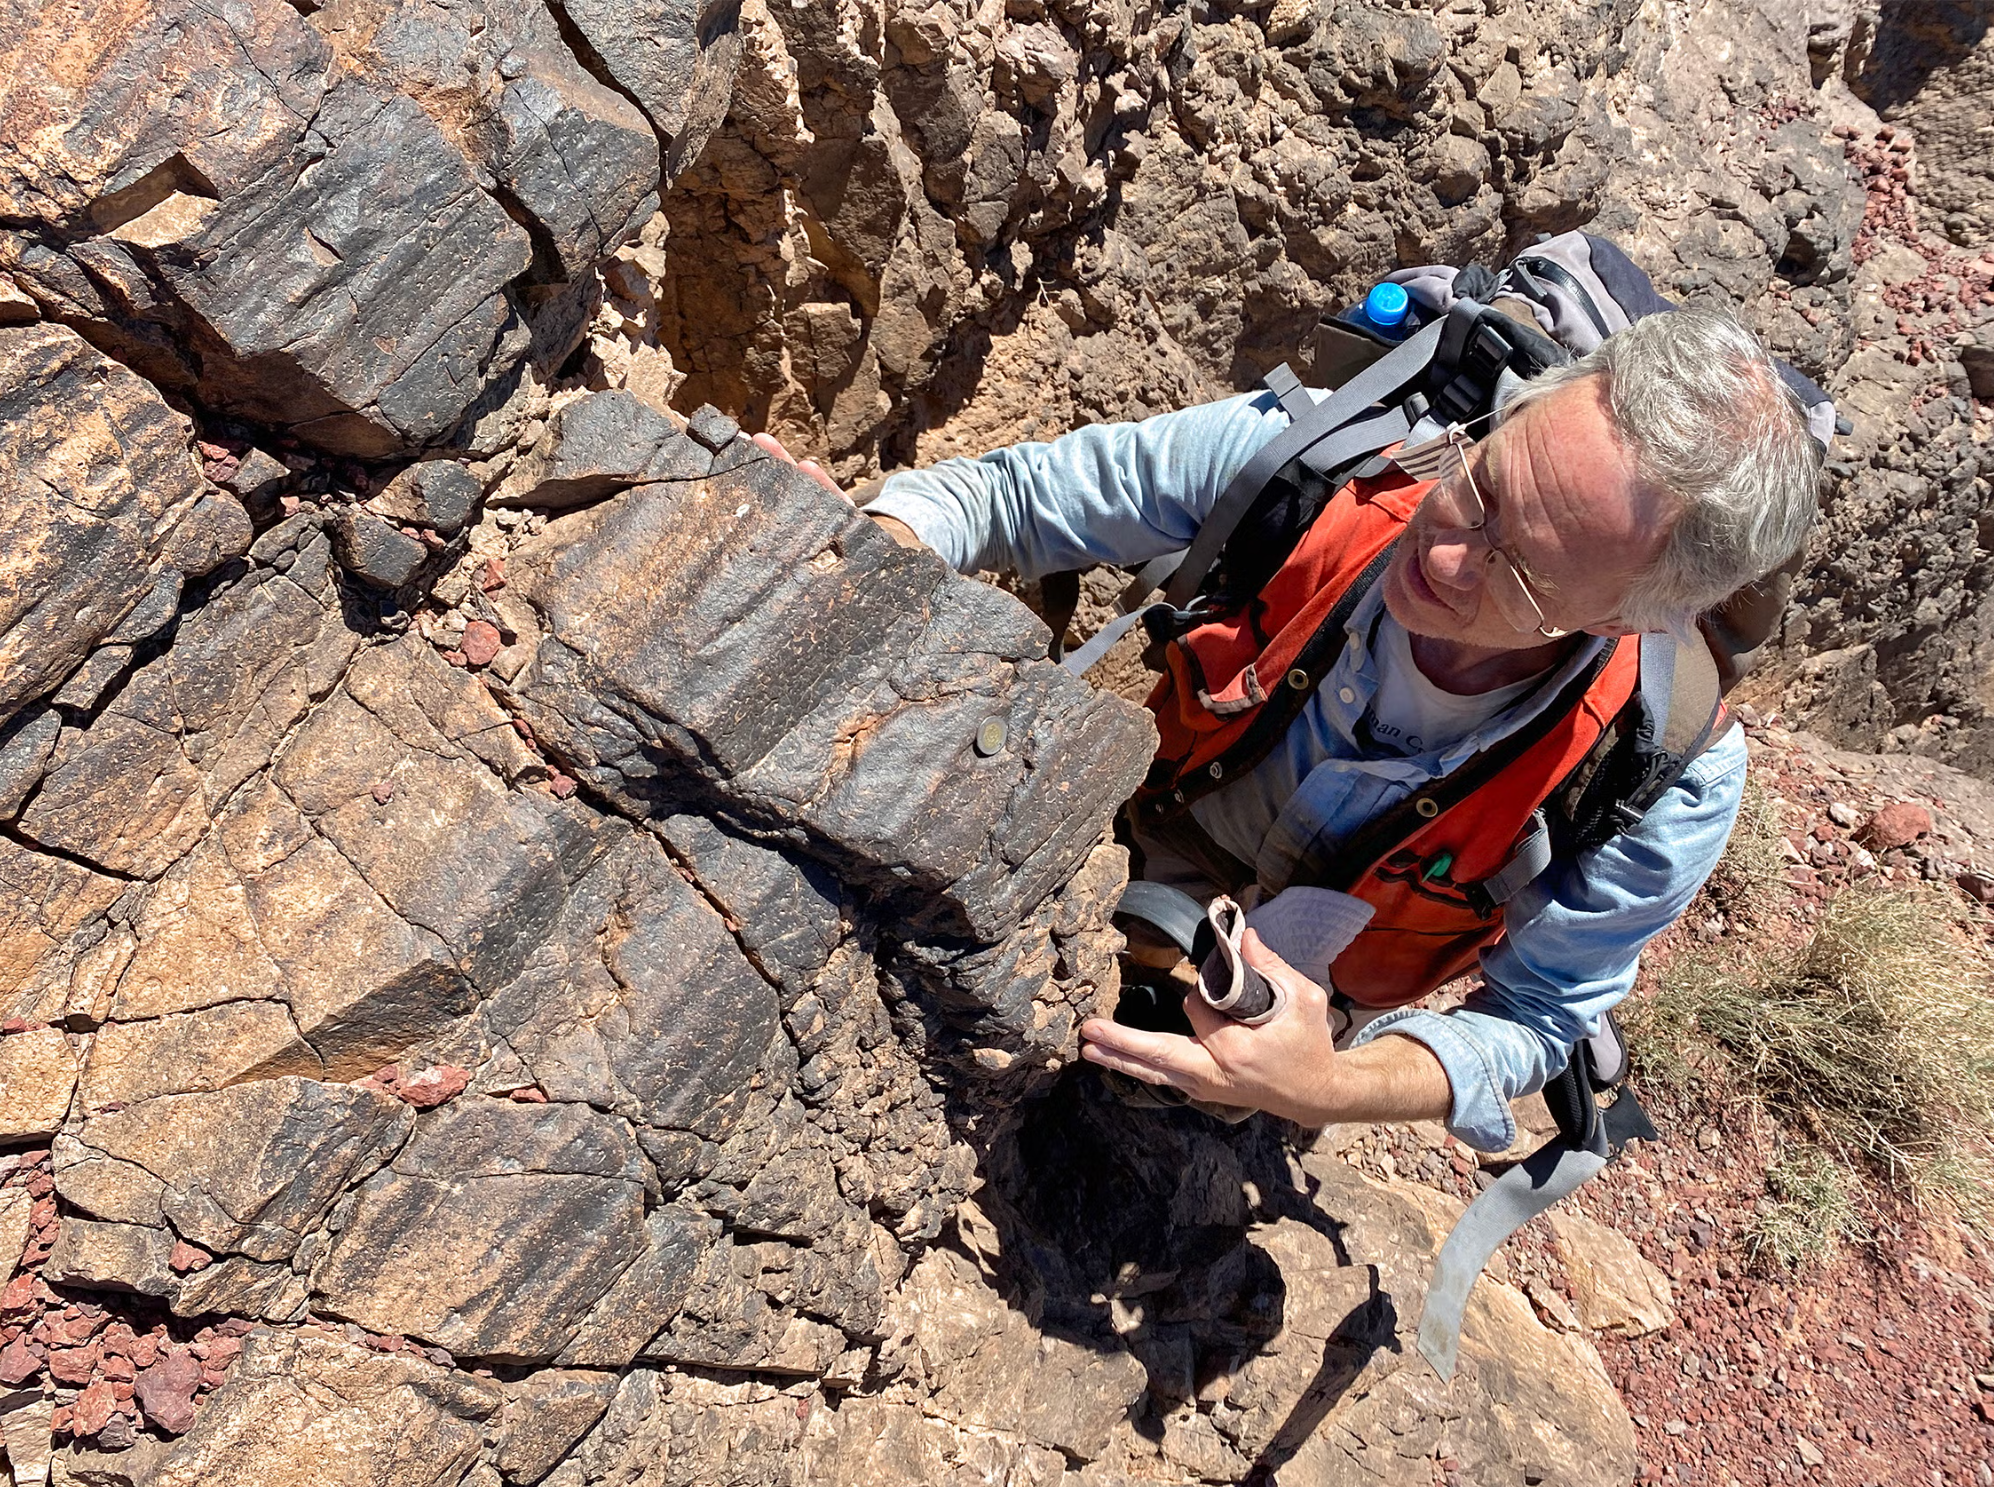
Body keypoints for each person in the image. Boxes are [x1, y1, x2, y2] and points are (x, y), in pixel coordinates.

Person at [751, 306, 1820, 1153]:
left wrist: (1325, 1085)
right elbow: (1008, 496)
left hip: (1296, 1002)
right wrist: (853, 558)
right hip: (1102, 833)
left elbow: (1538, 1018)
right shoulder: (1323, 465)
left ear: (1633, 617)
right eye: (1481, 487)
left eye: (1522, 573)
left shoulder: (1661, 769)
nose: (1444, 556)